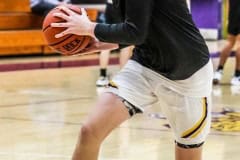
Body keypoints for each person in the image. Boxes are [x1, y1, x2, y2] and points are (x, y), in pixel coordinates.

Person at [51, 0, 213, 160]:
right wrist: (101, 44)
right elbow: (139, 29)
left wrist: (89, 27)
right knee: (90, 131)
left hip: (188, 73)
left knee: (187, 153)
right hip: (145, 66)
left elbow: (135, 32)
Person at [96, 0, 133, 87]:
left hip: (110, 6)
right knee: (126, 43)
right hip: (122, 7)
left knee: (106, 42)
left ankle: (102, 76)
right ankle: (122, 78)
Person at [213, 0, 240, 85]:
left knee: (229, 43)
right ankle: (237, 75)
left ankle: (219, 71)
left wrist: (229, 18)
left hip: (233, 17)